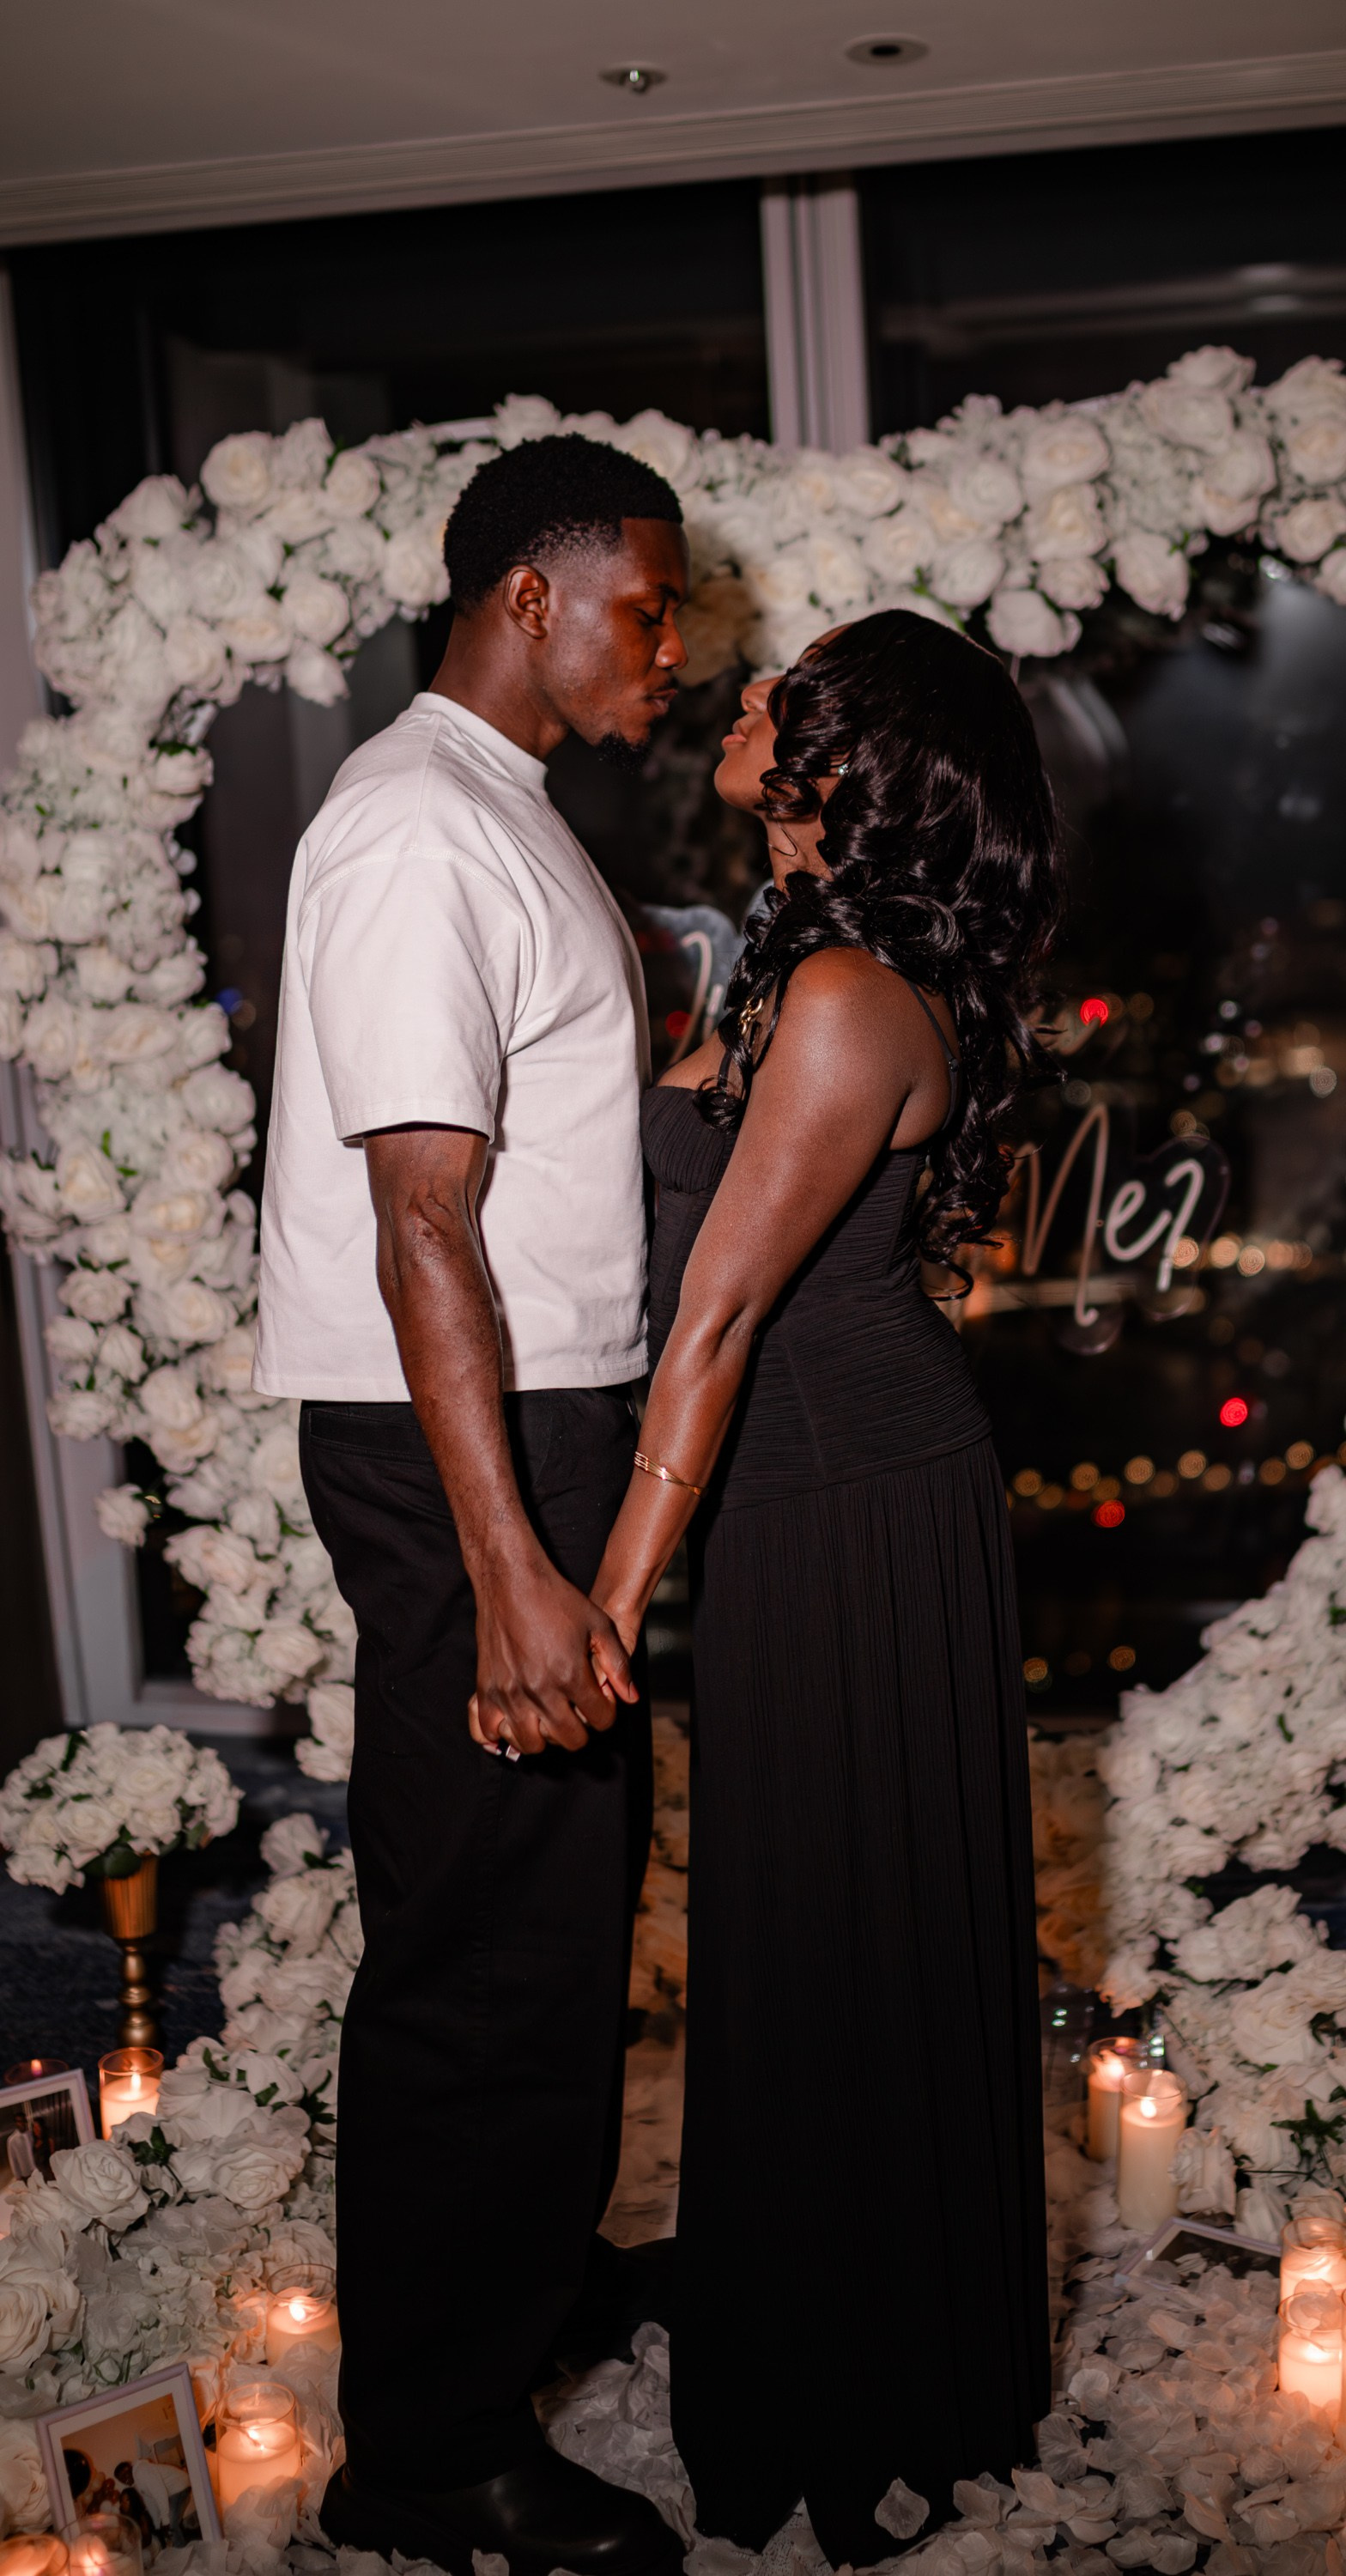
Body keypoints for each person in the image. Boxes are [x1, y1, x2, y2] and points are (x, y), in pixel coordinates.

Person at [579, 610, 1059, 2564]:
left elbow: (712, 1314)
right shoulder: (790, 964)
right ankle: (835, 2333)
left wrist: (600, 1603)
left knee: (841, 1915)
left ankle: (875, 2386)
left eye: (788, 697)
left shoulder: (853, 993)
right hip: (806, 1498)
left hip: (858, 1505)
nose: (742, 699)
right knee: (800, 1918)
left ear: (846, 768)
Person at [255, 432, 688, 2576]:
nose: (671, 652)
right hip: (464, 1460)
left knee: (552, 1909)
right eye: (648, 608)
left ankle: (515, 2295)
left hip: (532, 1431)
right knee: (481, 1947)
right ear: (533, 593)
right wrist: (512, 1556)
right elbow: (425, 1220)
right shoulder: (413, 826)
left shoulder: (501, 816)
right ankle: (425, 2447)